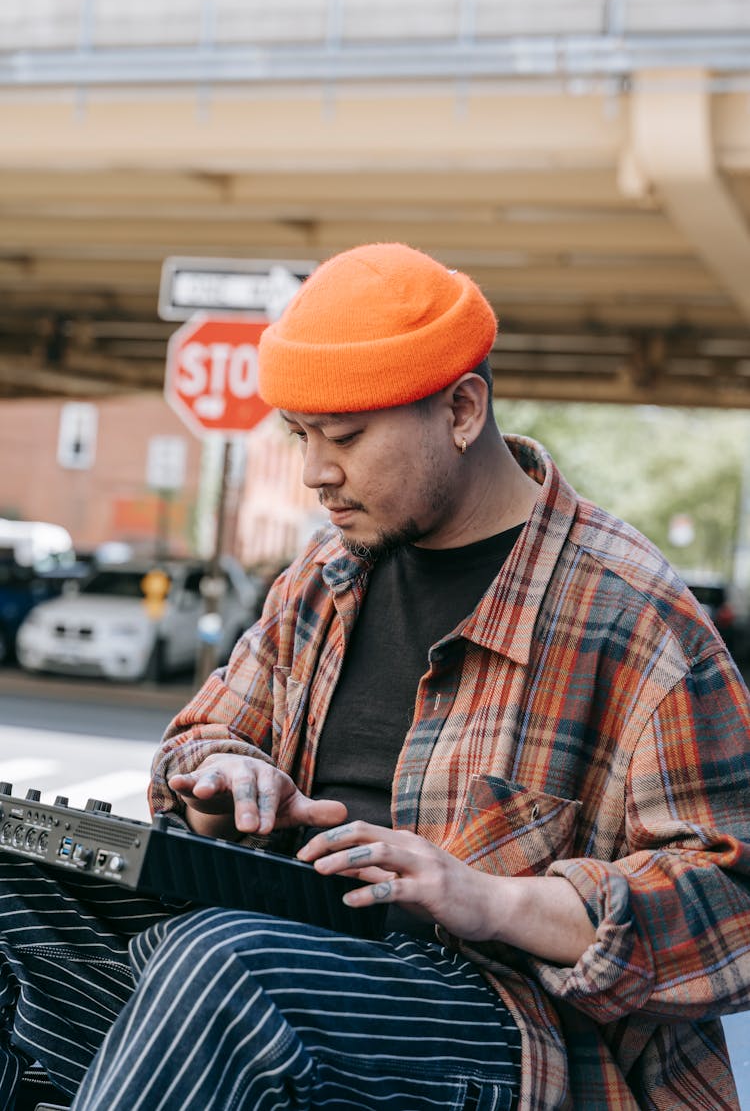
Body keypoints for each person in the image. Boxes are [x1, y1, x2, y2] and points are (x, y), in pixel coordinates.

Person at [1, 243, 749, 1111]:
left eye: (347, 436)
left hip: (512, 1027)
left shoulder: (633, 615)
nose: (316, 470)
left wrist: (485, 897)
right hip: (277, 949)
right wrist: (223, 779)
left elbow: (732, 902)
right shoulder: (325, 572)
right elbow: (202, 742)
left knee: (225, 968)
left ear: (463, 409)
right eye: (301, 435)